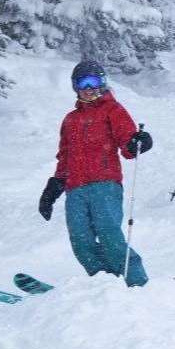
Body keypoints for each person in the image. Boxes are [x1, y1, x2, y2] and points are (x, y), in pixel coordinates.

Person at [38, 60, 152, 287]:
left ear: (103, 83)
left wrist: (137, 142)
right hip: (75, 190)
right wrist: (53, 188)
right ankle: (106, 284)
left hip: (105, 184)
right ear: (75, 87)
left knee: (109, 234)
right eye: (83, 83)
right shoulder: (70, 119)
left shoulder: (113, 110)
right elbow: (65, 157)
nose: (89, 88)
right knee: (81, 241)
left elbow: (127, 144)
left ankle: (137, 281)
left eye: (94, 82)